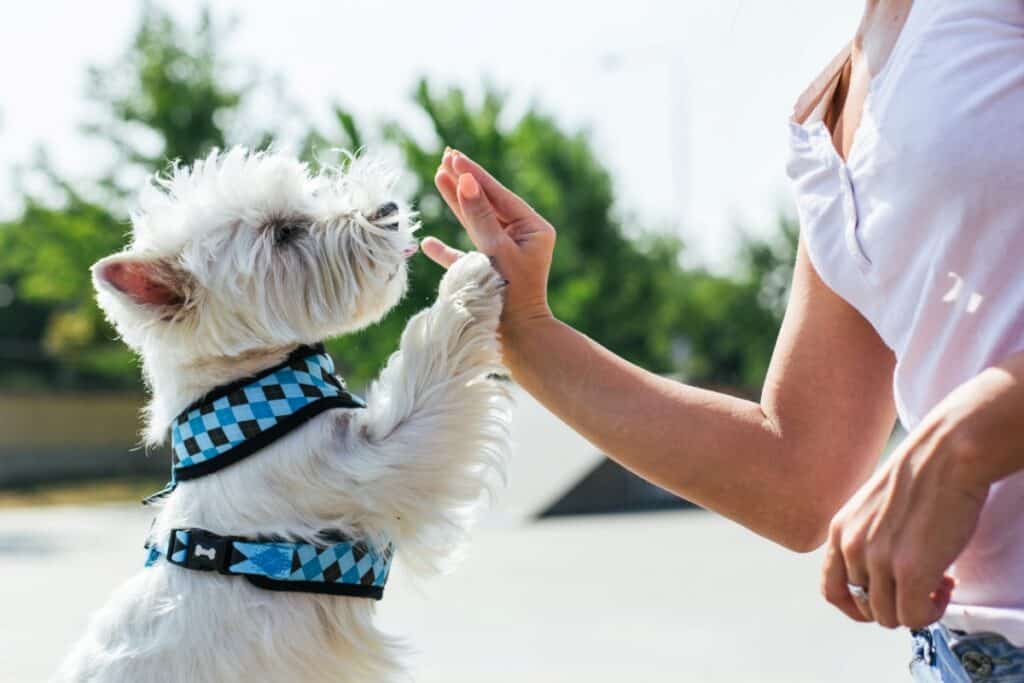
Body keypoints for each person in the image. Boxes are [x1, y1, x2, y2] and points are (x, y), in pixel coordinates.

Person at [420, 0, 1024, 680]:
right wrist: (528, 335)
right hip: (957, 657)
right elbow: (797, 474)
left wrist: (965, 441)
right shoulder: (836, 107)